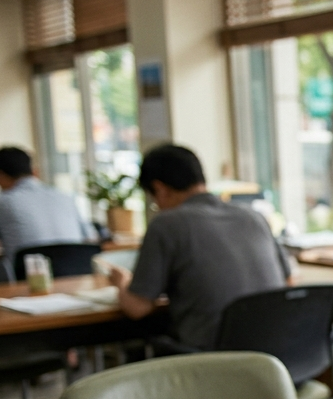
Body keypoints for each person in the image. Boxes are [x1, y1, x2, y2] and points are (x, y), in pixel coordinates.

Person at [109, 144, 291, 350]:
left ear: (159, 189)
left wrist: (122, 283)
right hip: (278, 359)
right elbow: (288, 280)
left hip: (214, 362)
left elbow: (137, 307)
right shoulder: (254, 217)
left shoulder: (166, 224)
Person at [0, 147, 92, 265]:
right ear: (32, 170)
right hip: (77, 279)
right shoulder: (66, 197)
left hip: (28, 282)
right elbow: (91, 239)